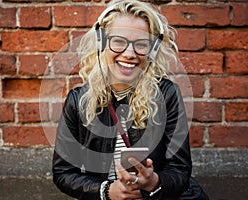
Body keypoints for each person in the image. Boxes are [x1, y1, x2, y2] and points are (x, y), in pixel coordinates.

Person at [52, 0, 207, 199]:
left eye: (141, 44)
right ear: (102, 42)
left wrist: (154, 183)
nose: (129, 54)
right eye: (118, 41)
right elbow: (63, 173)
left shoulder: (167, 94)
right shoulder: (78, 100)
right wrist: (106, 191)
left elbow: (179, 170)